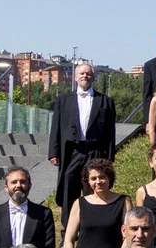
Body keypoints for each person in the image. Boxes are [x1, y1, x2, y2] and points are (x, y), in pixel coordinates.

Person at [47, 62, 116, 212]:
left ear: (93, 77)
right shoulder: (63, 100)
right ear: (76, 77)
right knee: (69, 190)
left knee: (92, 190)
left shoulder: (106, 101)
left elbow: (111, 131)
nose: (85, 76)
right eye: (82, 73)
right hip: (71, 151)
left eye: (88, 74)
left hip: (95, 151)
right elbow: (56, 127)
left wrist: (109, 157)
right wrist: (53, 152)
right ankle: (68, 230)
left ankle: (91, 227)